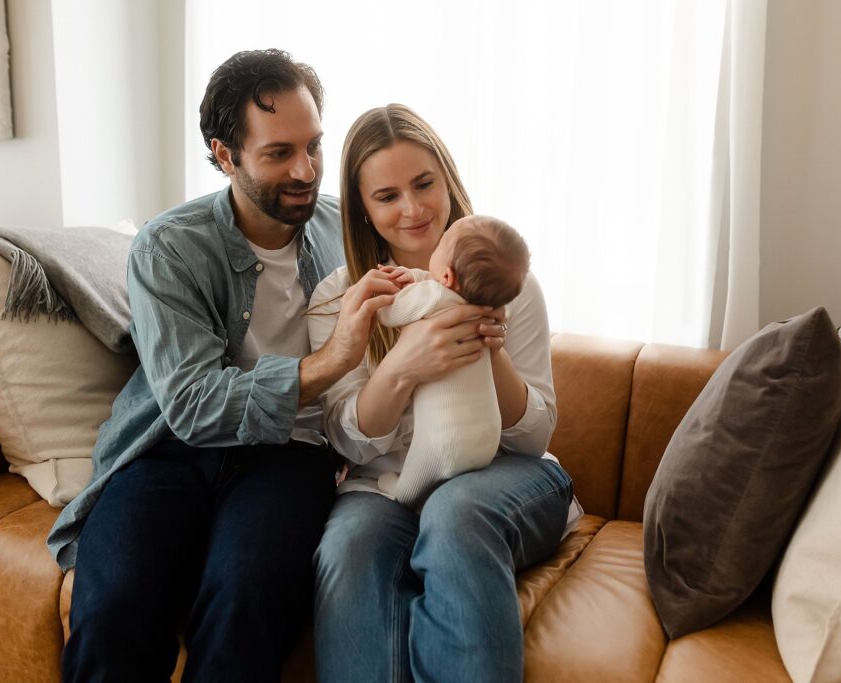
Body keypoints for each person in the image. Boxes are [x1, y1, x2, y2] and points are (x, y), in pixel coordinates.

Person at [46, 49, 403, 682]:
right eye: (278, 153)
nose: (307, 170)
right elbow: (190, 404)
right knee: (113, 608)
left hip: (289, 453)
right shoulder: (171, 246)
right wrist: (327, 363)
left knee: (246, 599)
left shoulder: (344, 229)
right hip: (168, 451)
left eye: (314, 146)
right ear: (224, 153)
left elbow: (434, 241)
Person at [307, 104, 581, 683]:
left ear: (447, 177)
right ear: (362, 208)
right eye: (386, 195)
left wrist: (490, 347)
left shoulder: (512, 281)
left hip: (505, 478)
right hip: (384, 487)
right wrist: (399, 368)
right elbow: (348, 444)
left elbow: (534, 438)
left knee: (455, 513)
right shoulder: (340, 299)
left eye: (424, 183)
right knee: (348, 551)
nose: (413, 208)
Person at [370, 215, 533, 507]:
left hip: (443, 438)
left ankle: (402, 491)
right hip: (487, 438)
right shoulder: (486, 311)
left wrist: (395, 292)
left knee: (412, 485)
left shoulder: (432, 297)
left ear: (446, 276)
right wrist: (415, 278)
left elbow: (388, 314)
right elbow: (438, 288)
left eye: (444, 242)